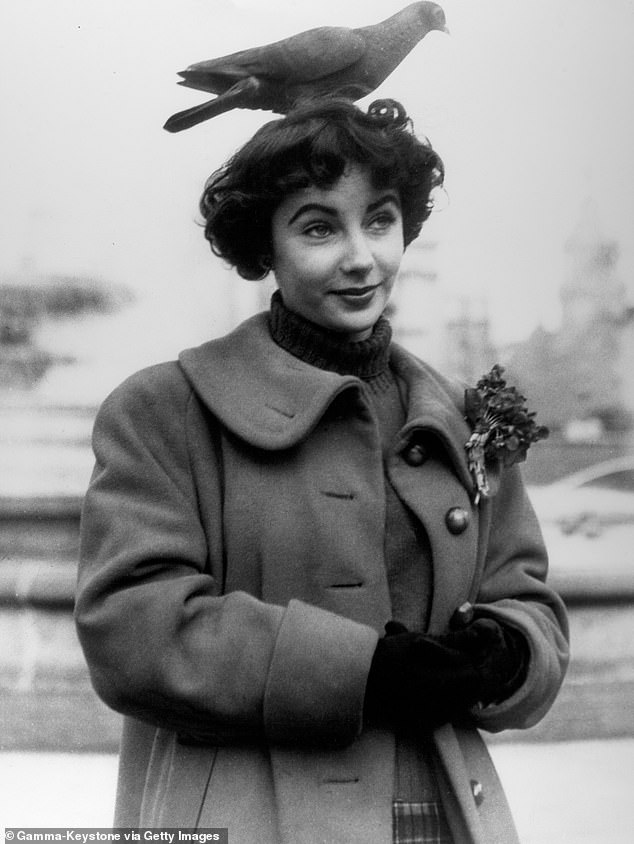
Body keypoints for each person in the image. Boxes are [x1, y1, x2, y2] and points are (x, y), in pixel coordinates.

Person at [75, 97, 569, 844]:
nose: (360, 257)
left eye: (379, 220)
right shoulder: (165, 409)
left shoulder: (461, 416)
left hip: (439, 816)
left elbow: (528, 599)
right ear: (263, 248)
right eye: (317, 228)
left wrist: (506, 656)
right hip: (247, 821)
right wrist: (364, 672)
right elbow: (133, 631)